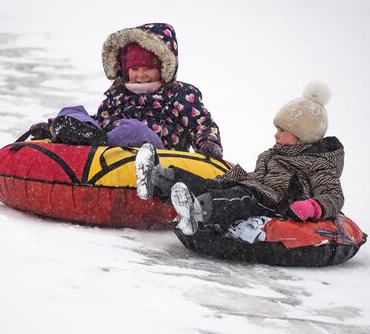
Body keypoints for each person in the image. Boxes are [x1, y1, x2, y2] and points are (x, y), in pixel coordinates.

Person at [135, 81, 344, 237]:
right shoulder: (272, 154)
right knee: (211, 185)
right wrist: (233, 176)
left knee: (240, 198)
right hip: (257, 190)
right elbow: (258, 178)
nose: (276, 135)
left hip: (277, 203)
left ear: (301, 137)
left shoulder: (318, 163)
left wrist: (312, 206)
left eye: (282, 130)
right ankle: (159, 178)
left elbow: (333, 195)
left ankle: (198, 210)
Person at [29, 23, 223, 160]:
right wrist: (51, 127)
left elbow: (201, 123)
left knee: (133, 129)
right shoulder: (117, 95)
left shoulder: (180, 94)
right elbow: (101, 119)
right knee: (72, 112)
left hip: (159, 153)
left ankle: (98, 145)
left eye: (148, 68)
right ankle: (68, 131)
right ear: (125, 70)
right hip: (113, 151)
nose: (141, 75)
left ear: (163, 67)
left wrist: (207, 143)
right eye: (135, 69)